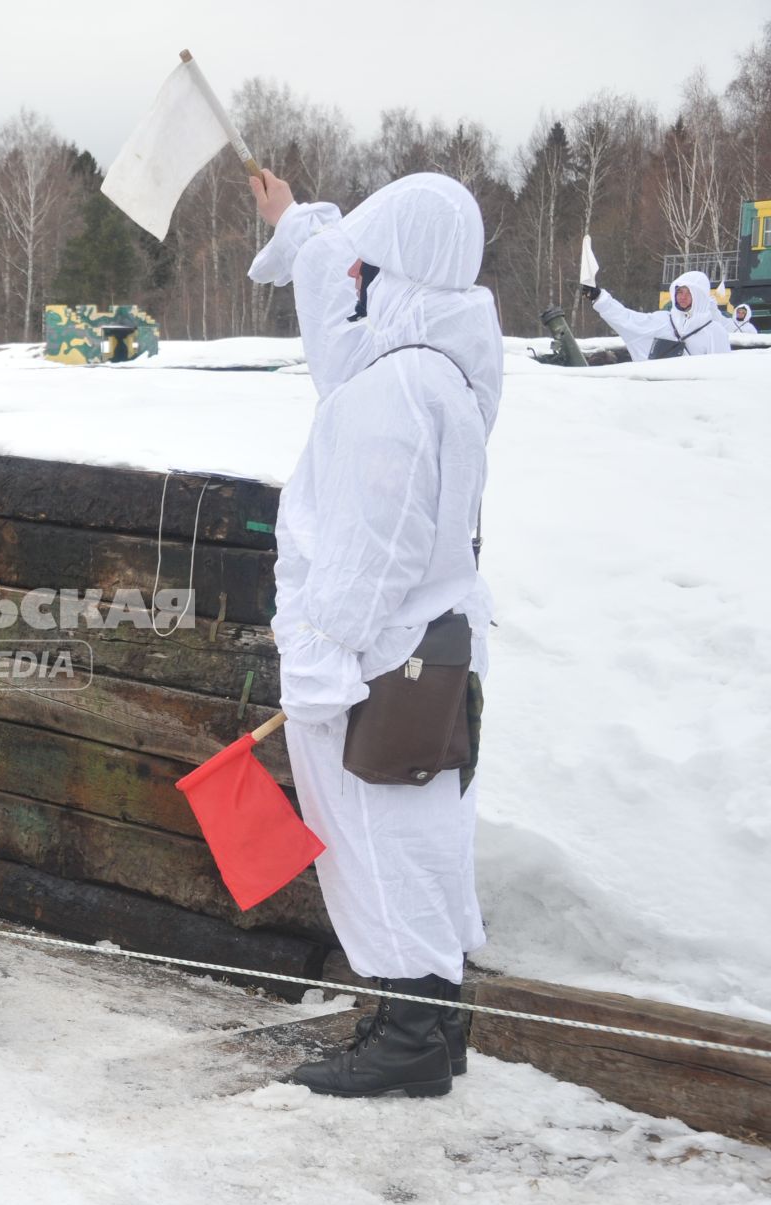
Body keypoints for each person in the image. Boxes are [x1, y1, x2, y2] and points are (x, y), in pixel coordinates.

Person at [247, 169, 500, 1099]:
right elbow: (338, 325)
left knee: (381, 838)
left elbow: (372, 544)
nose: (346, 286)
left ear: (387, 275)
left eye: (363, 268)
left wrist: (315, 657)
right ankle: (429, 1020)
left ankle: (410, 1038)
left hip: (375, 657)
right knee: (419, 834)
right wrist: (298, 224)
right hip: (423, 648)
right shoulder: (442, 362)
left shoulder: (395, 389)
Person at [581, 271, 731, 360]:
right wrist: (599, 298)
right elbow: (628, 320)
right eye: (679, 291)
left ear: (699, 295)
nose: (682, 296)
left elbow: (721, 375)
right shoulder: (664, 320)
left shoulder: (715, 332)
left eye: (687, 292)